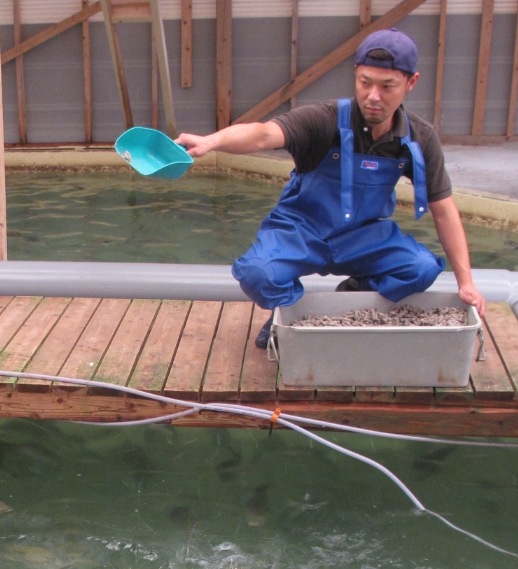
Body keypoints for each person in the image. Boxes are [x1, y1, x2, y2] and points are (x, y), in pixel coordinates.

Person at [176, 28, 485, 349]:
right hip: (301, 231)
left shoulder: (420, 138)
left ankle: (352, 296)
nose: (373, 96)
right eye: (365, 82)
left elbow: (444, 211)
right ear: (356, 75)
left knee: (421, 268)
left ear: (411, 82)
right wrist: (211, 142)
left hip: (363, 238)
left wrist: (466, 284)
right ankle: (290, 312)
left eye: (387, 86)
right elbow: (263, 134)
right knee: (257, 274)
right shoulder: (323, 120)